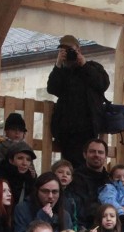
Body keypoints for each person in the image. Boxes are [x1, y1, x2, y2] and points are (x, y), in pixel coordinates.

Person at [47, 35, 110, 169]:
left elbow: (102, 84)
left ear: (79, 50)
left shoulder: (93, 67)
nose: (68, 53)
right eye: (63, 50)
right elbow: (52, 88)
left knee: (88, 162)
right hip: (67, 129)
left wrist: (84, 64)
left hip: (89, 127)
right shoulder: (63, 72)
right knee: (70, 164)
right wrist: (58, 64)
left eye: (70, 50)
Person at [72, 138, 111, 223]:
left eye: (100, 152)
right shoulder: (74, 178)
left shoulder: (110, 180)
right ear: (85, 155)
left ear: (105, 157)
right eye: (92, 151)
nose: (96, 155)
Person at [0, 142, 37, 206]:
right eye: (20, 158)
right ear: (11, 160)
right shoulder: (0, 179)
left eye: (28, 159)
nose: (24, 163)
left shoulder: (29, 180)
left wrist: (32, 180)